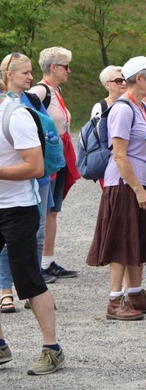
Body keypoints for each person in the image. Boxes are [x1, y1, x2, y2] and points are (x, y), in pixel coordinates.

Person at [86, 57, 146, 321]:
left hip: (138, 182)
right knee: (121, 240)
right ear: (139, 79)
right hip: (124, 184)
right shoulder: (123, 109)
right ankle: (113, 300)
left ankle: (136, 294)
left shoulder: (140, 107)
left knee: (137, 239)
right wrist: (138, 190)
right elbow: (119, 155)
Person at [0, 87, 64, 375]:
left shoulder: (16, 117)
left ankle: (52, 349)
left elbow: (36, 167)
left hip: (17, 208)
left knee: (28, 281)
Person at [0, 53, 54, 315]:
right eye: (25, 72)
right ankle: (6, 291)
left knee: (37, 236)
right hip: (16, 192)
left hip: (30, 188)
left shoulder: (29, 101)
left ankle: (33, 291)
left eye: (31, 72)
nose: (31, 77)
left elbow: (39, 154)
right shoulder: (10, 106)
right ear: (9, 75)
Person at [29, 47, 79, 280]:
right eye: (66, 66)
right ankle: (37, 263)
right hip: (48, 157)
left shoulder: (54, 90)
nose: (69, 71)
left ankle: (47, 261)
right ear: (53, 67)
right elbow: (25, 112)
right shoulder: (40, 90)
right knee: (45, 210)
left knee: (53, 211)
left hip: (58, 155)